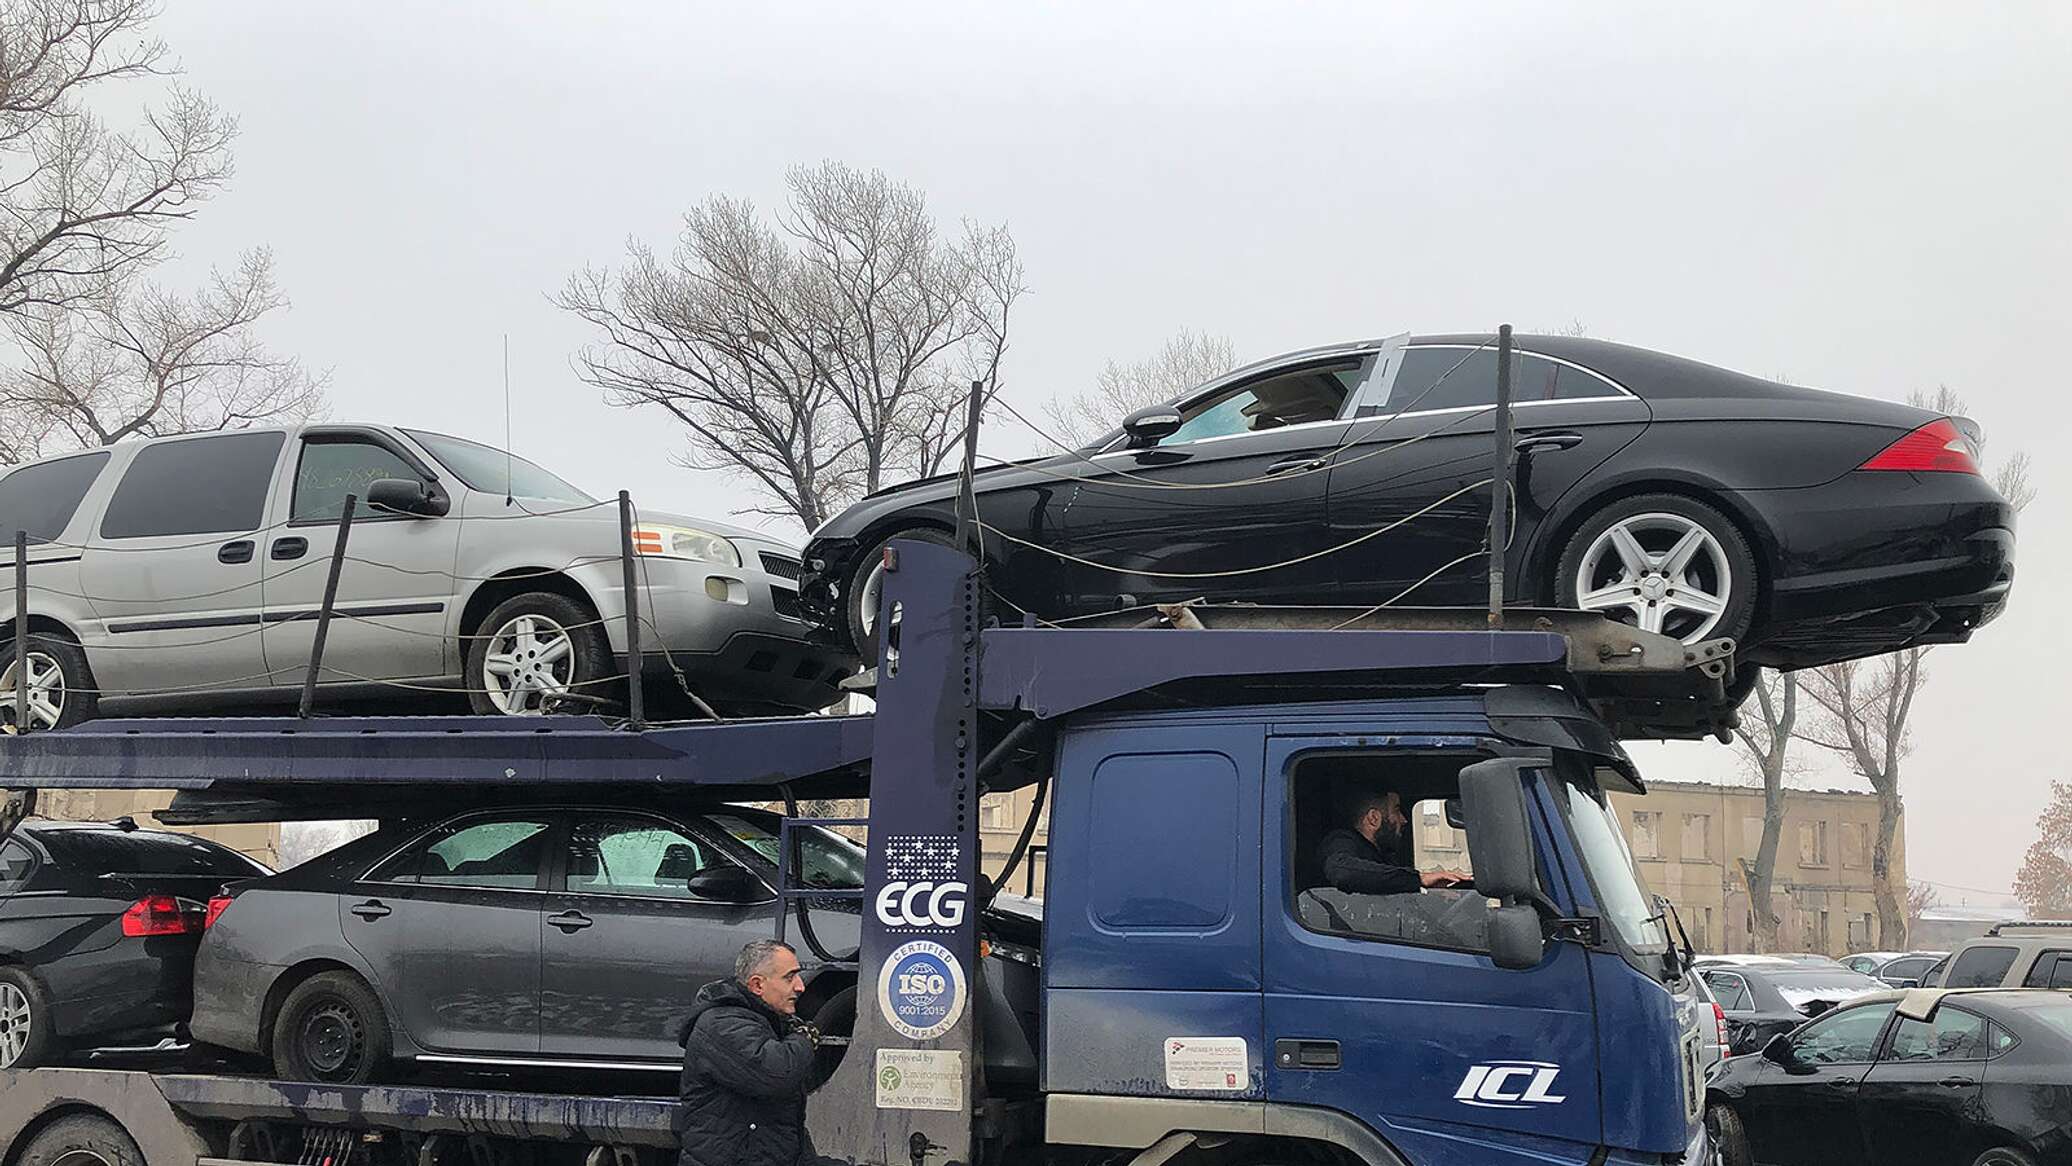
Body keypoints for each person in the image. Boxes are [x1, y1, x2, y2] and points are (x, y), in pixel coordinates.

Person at [677, 939, 827, 1166]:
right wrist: (804, 1039)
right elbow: (776, 1074)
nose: (800, 986)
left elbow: (780, 1126)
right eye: (789, 977)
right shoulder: (722, 1025)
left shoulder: (768, 1023)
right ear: (757, 985)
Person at [1317, 789, 1469, 894]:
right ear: (1373, 818)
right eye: (1396, 810)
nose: (1403, 820)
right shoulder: (1340, 841)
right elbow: (1343, 872)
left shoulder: (1383, 855)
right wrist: (1419, 879)